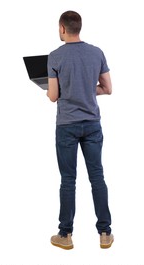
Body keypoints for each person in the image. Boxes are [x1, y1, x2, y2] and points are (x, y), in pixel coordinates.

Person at [47, 10, 114, 250]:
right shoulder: (97, 53)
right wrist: (86, 89)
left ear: (62, 28)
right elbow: (107, 89)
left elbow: (53, 96)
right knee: (97, 177)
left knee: (68, 180)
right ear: (79, 28)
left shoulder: (55, 57)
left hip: (66, 125)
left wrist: (54, 90)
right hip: (92, 124)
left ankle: (65, 235)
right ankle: (105, 233)